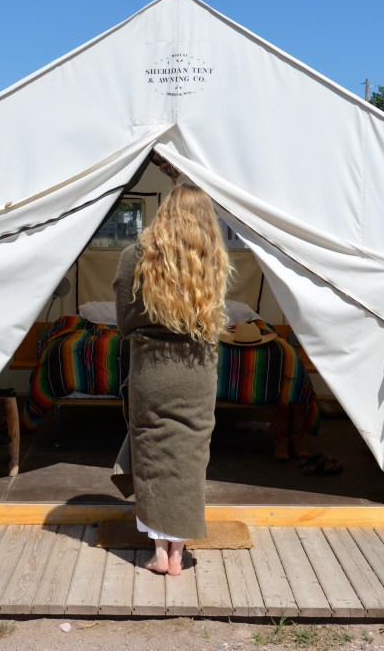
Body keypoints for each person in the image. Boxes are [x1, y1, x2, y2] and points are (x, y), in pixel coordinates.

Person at [113, 183, 231, 576]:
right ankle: (178, 553)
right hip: (198, 372)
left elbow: (125, 322)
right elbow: (212, 324)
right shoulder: (211, 259)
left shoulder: (135, 257)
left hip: (152, 371)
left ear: (165, 213)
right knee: (189, 459)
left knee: (152, 455)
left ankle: (158, 552)